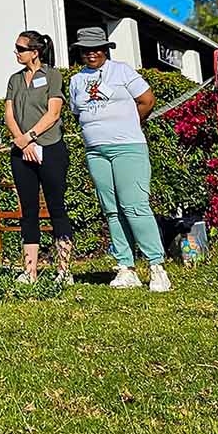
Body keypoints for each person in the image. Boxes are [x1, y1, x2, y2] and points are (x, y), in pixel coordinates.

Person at [66, 26, 170, 292]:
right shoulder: (77, 80)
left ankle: (157, 267)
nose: (92, 53)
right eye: (87, 49)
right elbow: (78, 112)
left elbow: (146, 100)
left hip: (127, 146)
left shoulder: (121, 70)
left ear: (106, 49)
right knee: (111, 209)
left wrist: (129, 124)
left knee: (135, 205)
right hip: (95, 150)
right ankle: (126, 267)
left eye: (97, 48)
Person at [3, 30, 75, 285]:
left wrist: (31, 136)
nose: (16, 53)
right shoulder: (15, 79)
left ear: (35, 52)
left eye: (20, 48)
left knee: (56, 207)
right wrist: (21, 141)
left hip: (50, 147)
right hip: (22, 150)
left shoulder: (52, 75)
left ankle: (64, 270)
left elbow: (53, 113)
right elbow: (9, 113)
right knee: (28, 210)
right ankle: (29, 270)